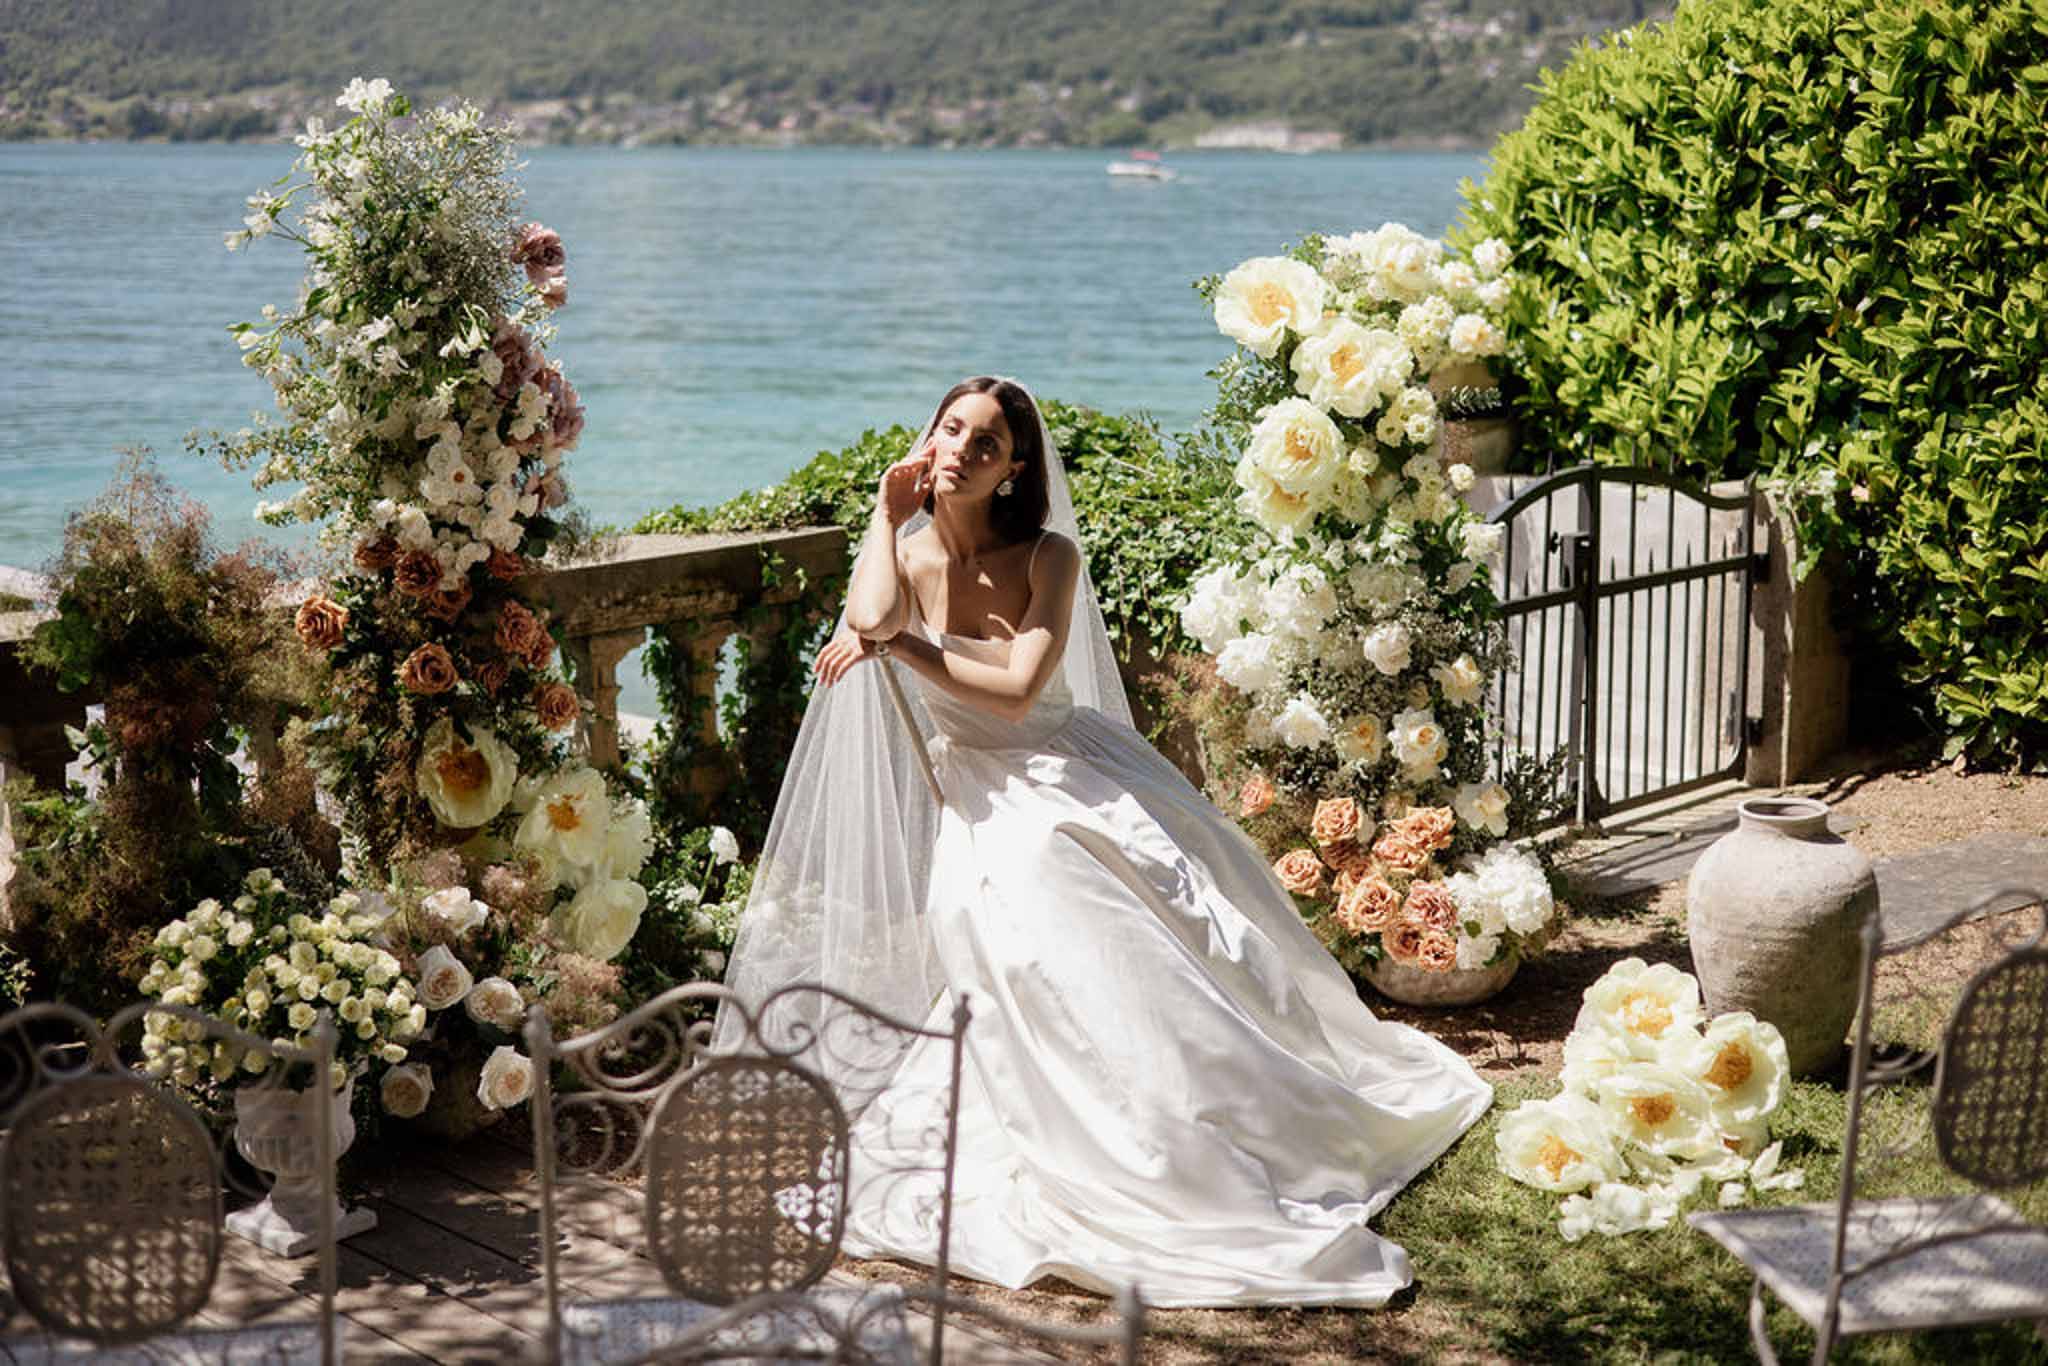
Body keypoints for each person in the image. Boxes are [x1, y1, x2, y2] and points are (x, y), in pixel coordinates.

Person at [717, 377, 1491, 1308]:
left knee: (1105, 893)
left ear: (1013, 472)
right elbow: (871, 617)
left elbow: (1012, 688)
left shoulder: (1051, 556)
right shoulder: (911, 548)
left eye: (988, 443)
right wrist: (886, 518)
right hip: (973, 786)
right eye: (950, 429)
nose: (961, 449)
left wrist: (901, 649)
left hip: (1062, 765)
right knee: (988, 909)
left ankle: (1190, 1116)